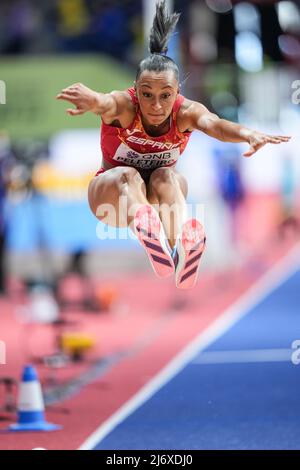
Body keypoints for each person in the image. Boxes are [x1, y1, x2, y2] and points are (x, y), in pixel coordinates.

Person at [56, 0, 290, 289]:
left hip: (157, 197)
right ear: (135, 90)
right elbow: (105, 102)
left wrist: (247, 133)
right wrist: (93, 101)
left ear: (177, 92)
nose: (155, 105)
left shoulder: (186, 112)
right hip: (111, 198)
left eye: (165, 96)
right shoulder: (124, 105)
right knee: (127, 175)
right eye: (147, 94)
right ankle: (145, 223)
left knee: (167, 175)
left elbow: (215, 125)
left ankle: (178, 248)